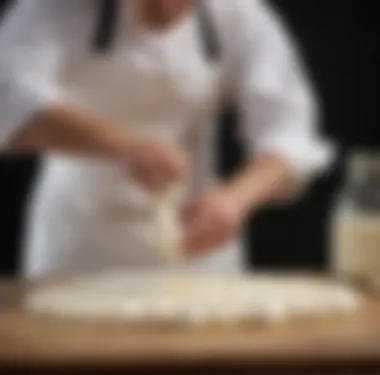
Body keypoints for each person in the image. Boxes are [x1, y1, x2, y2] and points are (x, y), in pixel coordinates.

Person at [0, 0, 334, 278]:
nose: (165, 7)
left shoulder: (239, 14)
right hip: (78, 246)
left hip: (199, 248)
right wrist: (122, 144)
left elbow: (289, 135)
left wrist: (235, 201)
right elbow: (9, 94)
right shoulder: (52, 10)